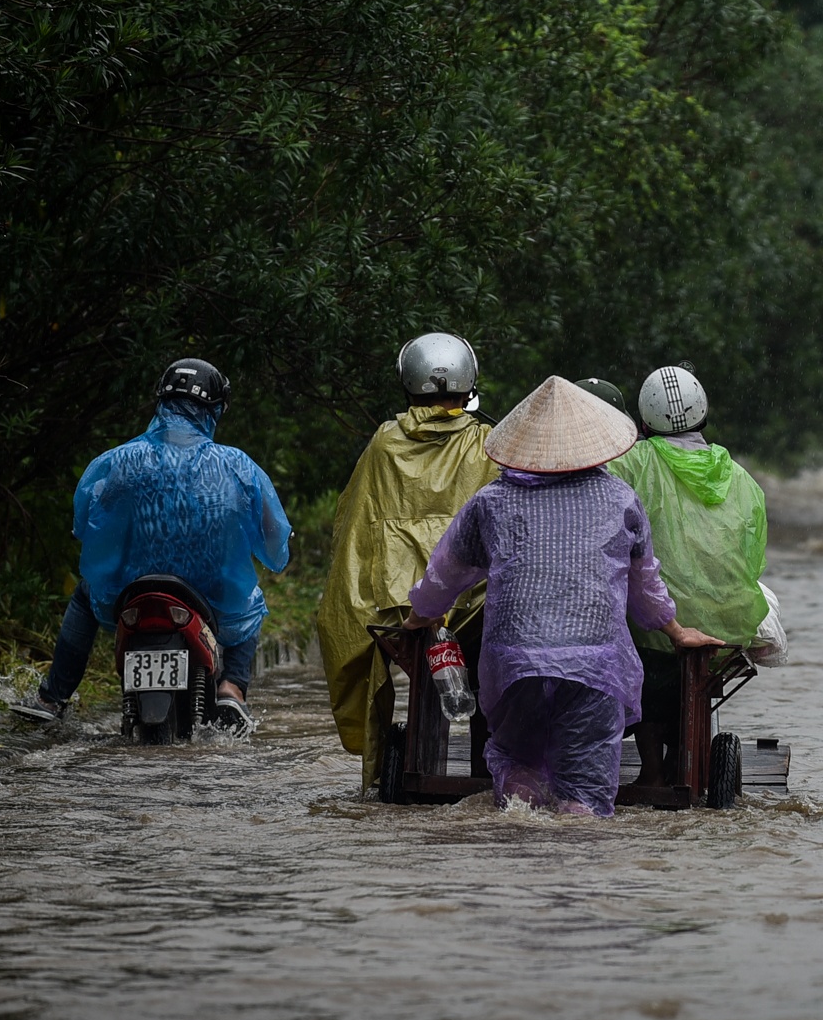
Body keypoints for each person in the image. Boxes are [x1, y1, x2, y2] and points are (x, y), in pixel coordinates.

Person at [402, 376, 721, 814]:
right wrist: (675, 630)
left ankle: (518, 857)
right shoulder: (620, 499)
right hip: (595, 666)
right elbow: (644, 587)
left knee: (518, 771)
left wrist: (421, 615)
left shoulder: (492, 501)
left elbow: (446, 574)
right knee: (584, 799)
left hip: (515, 662)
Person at [12, 359, 291, 730]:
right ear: (216, 409)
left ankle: (52, 699)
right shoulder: (238, 465)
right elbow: (275, 543)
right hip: (213, 597)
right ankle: (232, 690)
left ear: (160, 402)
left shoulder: (118, 461)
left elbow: (85, 524)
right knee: (251, 600)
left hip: (130, 591)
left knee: (84, 595)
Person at [316, 333, 499, 789]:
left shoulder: (384, 442)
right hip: (474, 607)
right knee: (486, 679)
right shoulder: (489, 442)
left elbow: (355, 526)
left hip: (398, 610)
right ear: (469, 382)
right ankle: (488, 778)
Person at [606, 364, 770, 787]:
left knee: (634, 615)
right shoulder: (744, 480)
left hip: (661, 632)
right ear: (703, 416)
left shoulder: (630, 463)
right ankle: (685, 755)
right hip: (728, 629)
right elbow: (753, 564)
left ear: (643, 423)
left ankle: (652, 769)